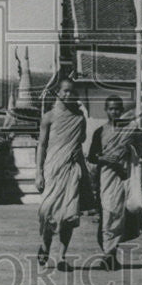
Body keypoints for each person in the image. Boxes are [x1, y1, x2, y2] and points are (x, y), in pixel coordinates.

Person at [87, 96, 142, 270]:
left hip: (125, 176)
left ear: (122, 111)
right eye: (111, 109)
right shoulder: (100, 132)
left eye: (117, 109)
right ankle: (108, 253)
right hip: (106, 178)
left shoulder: (131, 129)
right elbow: (92, 157)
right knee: (108, 212)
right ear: (106, 110)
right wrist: (107, 158)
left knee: (120, 215)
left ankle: (110, 255)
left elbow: (139, 151)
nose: (114, 112)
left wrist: (127, 152)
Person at [36, 78, 87, 270]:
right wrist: (38, 172)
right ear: (58, 92)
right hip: (52, 169)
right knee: (47, 212)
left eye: (72, 92)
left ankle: (61, 258)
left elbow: (81, 139)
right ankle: (44, 246)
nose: (69, 95)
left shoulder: (80, 118)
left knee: (69, 215)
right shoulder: (48, 117)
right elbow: (41, 145)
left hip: (71, 169)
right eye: (65, 91)